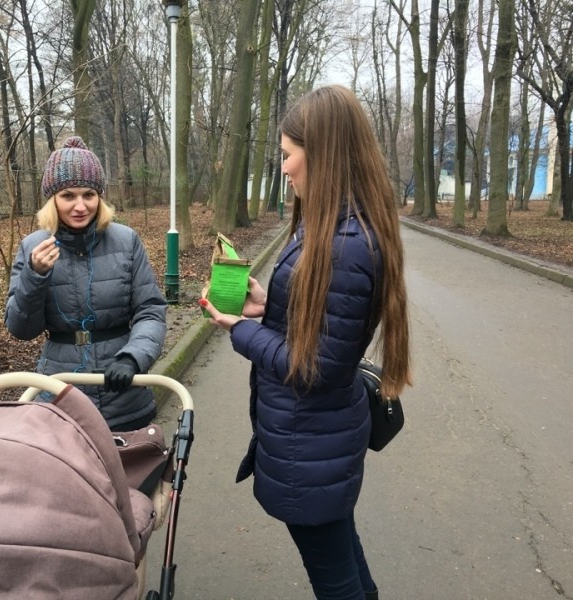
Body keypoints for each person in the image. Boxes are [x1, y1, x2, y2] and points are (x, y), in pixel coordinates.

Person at [200, 85, 412, 600]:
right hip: (313, 440)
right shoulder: (331, 227)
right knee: (343, 561)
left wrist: (239, 329)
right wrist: (264, 307)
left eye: (288, 155)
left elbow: (317, 368)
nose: (286, 169)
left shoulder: (345, 244)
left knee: (335, 579)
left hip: (309, 443)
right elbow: (313, 323)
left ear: (322, 153)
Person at [5, 136, 167, 431]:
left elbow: (151, 311)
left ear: (100, 197)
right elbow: (21, 329)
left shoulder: (126, 240)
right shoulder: (33, 247)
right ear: (53, 199)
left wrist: (133, 358)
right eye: (68, 195)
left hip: (123, 395)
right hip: (60, 395)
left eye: (89, 195)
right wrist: (35, 275)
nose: (80, 206)